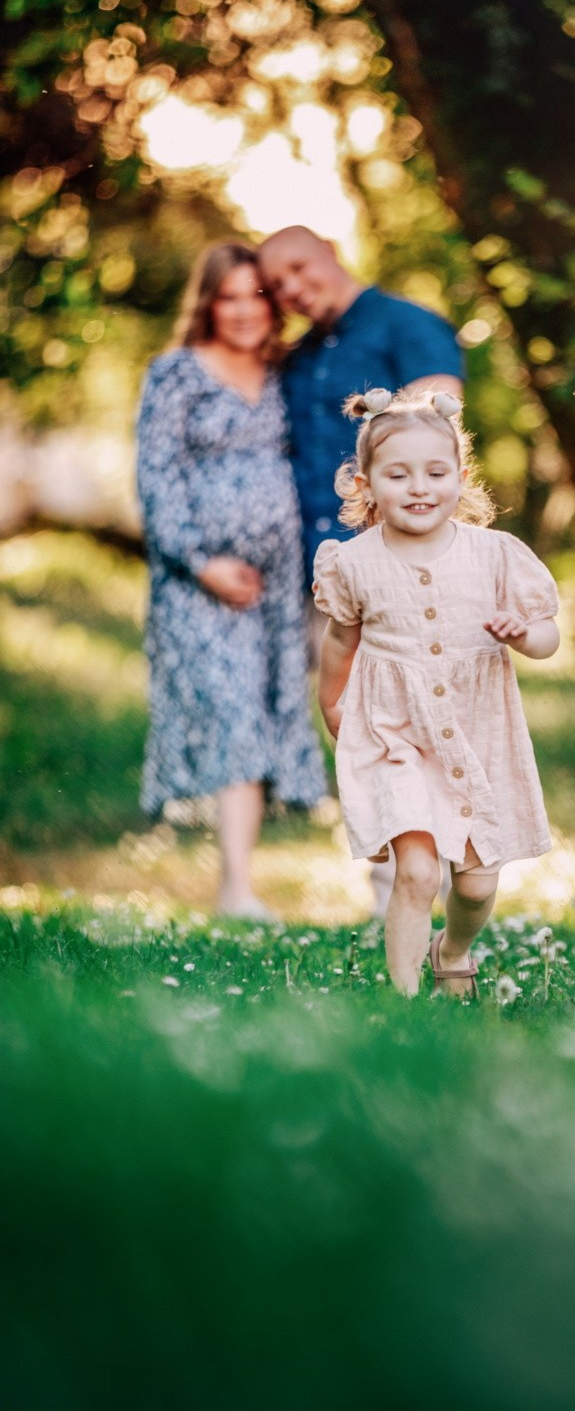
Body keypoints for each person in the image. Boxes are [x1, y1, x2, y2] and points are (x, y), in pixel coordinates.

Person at [312, 387, 560, 996]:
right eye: (398, 474)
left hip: (479, 736)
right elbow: (341, 642)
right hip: (395, 734)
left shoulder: (496, 554)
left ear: (460, 476)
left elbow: (548, 637)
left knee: (475, 885)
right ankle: (405, 1002)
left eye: (435, 472)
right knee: (417, 873)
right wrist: (330, 701)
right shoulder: (353, 563)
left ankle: (452, 949)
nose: (419, 487)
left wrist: (525, 633)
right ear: (366, 483)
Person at [257, 223, 464, 919]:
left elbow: (439, 441)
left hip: (404, 572)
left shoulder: (408, 326)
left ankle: (458, 880)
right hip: (325, 577)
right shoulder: (299, 357)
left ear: (329, 250)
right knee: (359, 730)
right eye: (275, 282)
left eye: (296, 267)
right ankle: (393, 894)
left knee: (426, 724)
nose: (289, 287)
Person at [136, 241, 327, 919]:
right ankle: (237, 889)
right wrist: (201, 561)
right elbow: (156, 479)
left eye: (256, 295)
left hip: (276, 589)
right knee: (232, 713)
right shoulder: (175, 375)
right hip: (197, 582)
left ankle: (239, 887)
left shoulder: (286, 372)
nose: (244, 310)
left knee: (266, 712)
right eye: (229, 296)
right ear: (209, 302)